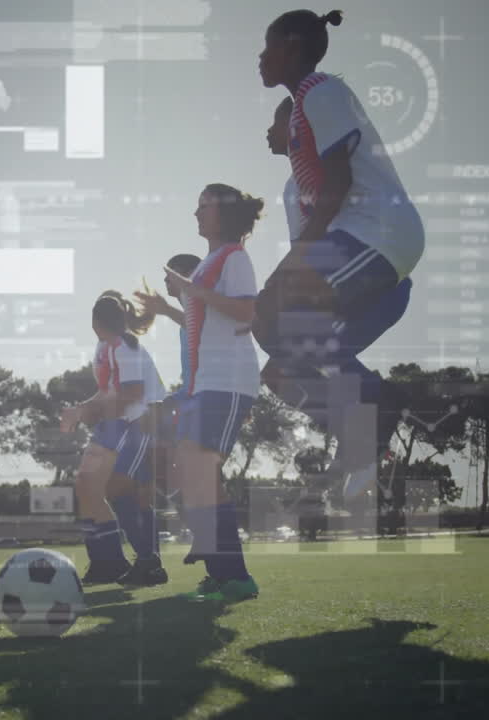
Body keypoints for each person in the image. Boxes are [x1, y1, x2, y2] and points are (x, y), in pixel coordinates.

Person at [255, 9, 424, 497]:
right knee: (279, 364)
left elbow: (340, 183)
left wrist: (279, 280)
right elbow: (315, 231)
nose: (260, 59)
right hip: (353, 249)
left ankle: (376, 404)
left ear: (291, 45)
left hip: (380, 238)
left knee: (278, 316)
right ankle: (357, 435)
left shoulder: (321, 92)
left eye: (267, 49)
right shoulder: (295, 186)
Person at [163, 183, 263, 603]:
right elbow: (199, 323)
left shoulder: (234, 257)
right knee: (193, 470)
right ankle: (222, 573)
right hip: (207, 384)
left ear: (222, 214)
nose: (196, 213)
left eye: (203, 206)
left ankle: (233, 575)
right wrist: (174, 299)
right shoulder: (211, 262)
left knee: (199, 470)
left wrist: (190, 288)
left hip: (228, 381)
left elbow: (246, 312)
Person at [60, 292, 165, 585]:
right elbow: (108, 391)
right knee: (86, 484)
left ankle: (148, 561)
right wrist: (82, 409)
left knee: (120, 490)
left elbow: (131, 395)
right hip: (117, 420)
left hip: (140, 421)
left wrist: (84, 412)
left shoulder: (125, 347)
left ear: (97, 321)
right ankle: (109, 562)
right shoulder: (103, 346)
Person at [133, 253, 201, 505]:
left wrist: (163, 309)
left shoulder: (200, 309)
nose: (165, 280)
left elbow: (200, 325)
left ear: (185, 275)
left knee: (201, 471)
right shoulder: (188, 317)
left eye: (169, 275)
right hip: (190, 394)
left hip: (202, 396)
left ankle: (174, 488)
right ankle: (171, 486)